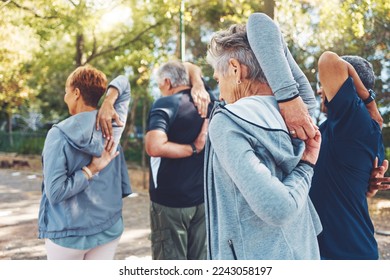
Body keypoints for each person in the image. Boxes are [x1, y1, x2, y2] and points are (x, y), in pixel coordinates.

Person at [204, 24, 322, 260]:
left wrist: (307, 168)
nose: (220, 94)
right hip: (303, 252)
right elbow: (265, 29)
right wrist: (289, 95)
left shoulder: (228, 121)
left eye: (218, 80)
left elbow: (279, 208)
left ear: (235, 70)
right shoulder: (300, 115)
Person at [38, 65, 131, 260]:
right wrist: (109, 101)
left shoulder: (58, 134)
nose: (65, 98)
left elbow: (55, 193)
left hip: (68, 234)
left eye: (66, 92)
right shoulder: (113, 124)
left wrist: (90, 170)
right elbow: (124, 82)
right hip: (108, 228)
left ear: (76, 93)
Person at [309, 51, 387, 260]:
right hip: (338, 251)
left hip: (345, 255)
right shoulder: (342, 127)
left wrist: (369, 101)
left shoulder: (355, 122)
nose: (319, 90)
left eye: (322, 84)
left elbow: (328, 60)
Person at [144, 61, 213, 260]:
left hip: (170, 203)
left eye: (159, 85)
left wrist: (193, 148)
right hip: (202, 200)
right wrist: (198, 84)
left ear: (167, 82)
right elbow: (190, 66)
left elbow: (154, 147)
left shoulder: (166, 103)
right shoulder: (208, 100)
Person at [247, 12, 318, 141]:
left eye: (219, 80)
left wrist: (288, 98)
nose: (220, 97)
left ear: (236, 69)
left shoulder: (299, 112)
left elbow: (258, 22)